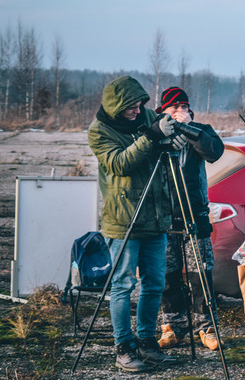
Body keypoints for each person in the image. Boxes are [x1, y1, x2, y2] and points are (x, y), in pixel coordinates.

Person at [87, 76, 179, 373]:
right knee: (123, 285)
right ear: (116, 107)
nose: (137, 112)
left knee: (154, 284)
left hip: (155, 216)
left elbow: (161, 124)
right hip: (123, 221)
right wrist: (152, 137)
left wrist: (173, 136)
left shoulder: (147, 115)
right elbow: (119, 164)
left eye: (140, 105)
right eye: (131, 107)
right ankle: (123, 347)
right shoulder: (99, 131)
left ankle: (147, 343)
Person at [153, 87, 225, 351]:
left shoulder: (200, 130)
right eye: (175, 108)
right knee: (167, 275)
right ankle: (173, 327)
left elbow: (214, 152)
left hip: (195, 216)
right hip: (164, 218)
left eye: (185, 107)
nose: (181, 112)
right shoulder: (156, 132)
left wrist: (189, 129)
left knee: (200, 275)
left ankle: (206, 328)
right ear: (164, 112)